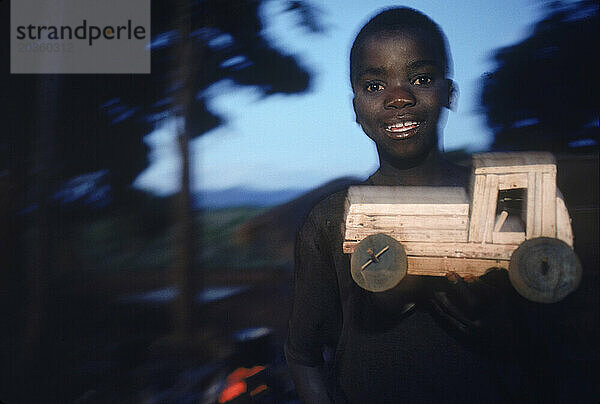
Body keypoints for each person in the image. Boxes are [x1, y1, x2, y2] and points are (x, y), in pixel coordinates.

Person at [285, 8, 547, 403]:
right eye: (374, 86)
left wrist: (497, 326)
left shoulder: (503, 202)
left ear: (449, 93)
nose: (398, 97)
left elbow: (548, 348)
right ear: (356, 107)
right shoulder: (331, 220)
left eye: (421, 79)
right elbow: (302, 354)